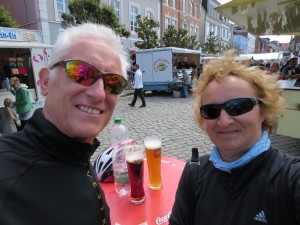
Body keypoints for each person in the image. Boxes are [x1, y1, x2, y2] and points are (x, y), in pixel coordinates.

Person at [0, 23, 129, 225]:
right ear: (45, 83)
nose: (99, 93)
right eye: (82, 73)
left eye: (113, 82)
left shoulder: (77, 153)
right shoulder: (7, 174)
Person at [169, 52, 300, 225]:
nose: (224, 121)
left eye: (238, 107)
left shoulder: (290, 178)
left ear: (263, 111)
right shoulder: (194, 173)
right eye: (211, 111)